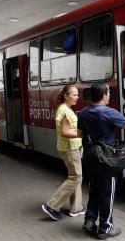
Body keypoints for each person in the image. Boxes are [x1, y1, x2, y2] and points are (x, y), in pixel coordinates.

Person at [78, 83, 125, 240]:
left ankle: (89, 221)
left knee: (94, 189)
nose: (109, 95)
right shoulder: (109, 112)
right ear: (103, 96)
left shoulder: (84, 112)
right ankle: (105, 228)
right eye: (108, 93)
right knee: (107, 193)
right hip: (106, 159)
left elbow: (80, 133)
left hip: (90, 156)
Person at [41, 85, 85, 221]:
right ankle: (52, 205)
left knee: (77, 176)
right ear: (66, 96)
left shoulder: (66, 109)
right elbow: (65, 132)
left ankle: (76, 208)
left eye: (78, 94)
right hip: (69, 148)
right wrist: (81, 133)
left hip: (72, 147)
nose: (77, 97)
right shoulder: (64, 110)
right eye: (75, 95)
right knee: (75, 177)